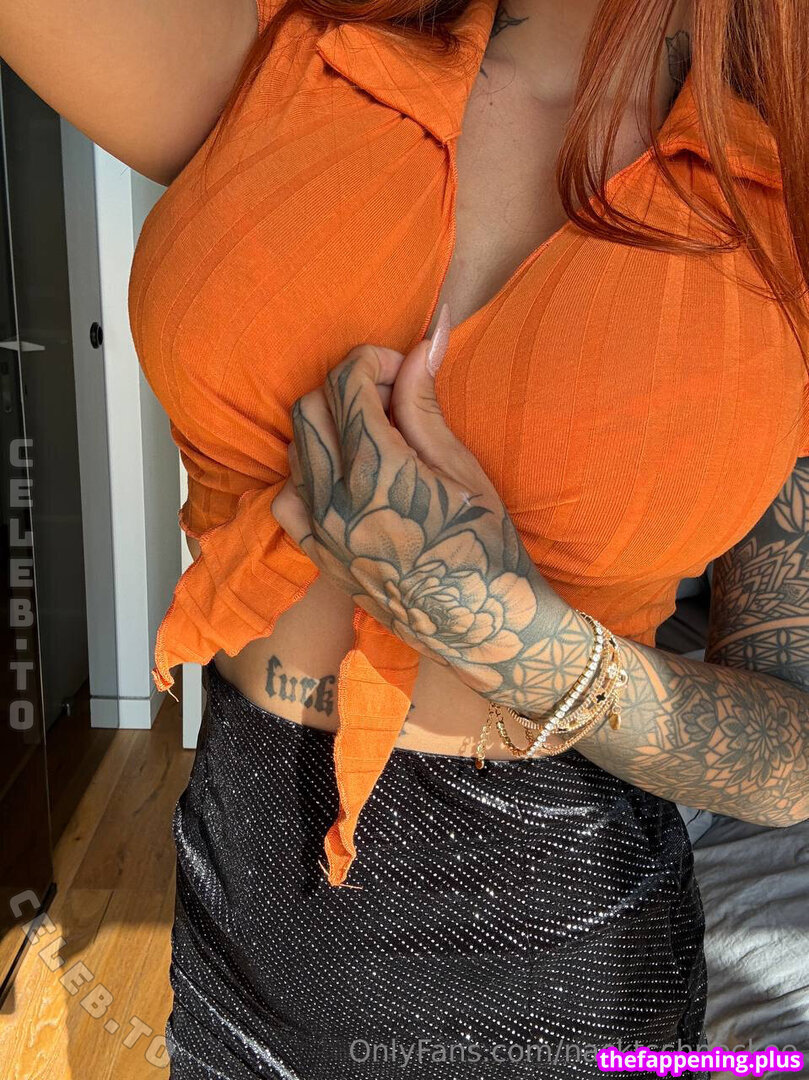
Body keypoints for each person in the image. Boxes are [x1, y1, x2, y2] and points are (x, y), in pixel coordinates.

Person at [3, 0, 808, 1075]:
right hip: (239, 891)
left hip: (560, 949)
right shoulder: (290, 57)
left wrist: (522, 642)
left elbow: (790, 755)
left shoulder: (775, 202)